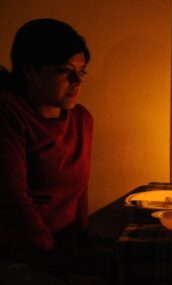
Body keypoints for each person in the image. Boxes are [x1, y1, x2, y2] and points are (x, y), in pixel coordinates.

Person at [0, 18, 110, 285]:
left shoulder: (81, 118)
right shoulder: (9, 113)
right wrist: (57, 266)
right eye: (64, 71)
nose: (76, 81)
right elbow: (14, 202)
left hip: (65, 248)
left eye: (81, 71)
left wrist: (85, 244)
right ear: (29, 71)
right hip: (21, 252)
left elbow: (80, 191)